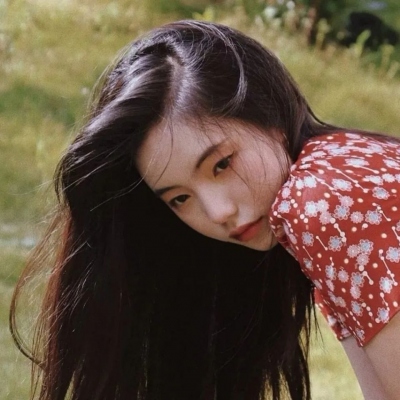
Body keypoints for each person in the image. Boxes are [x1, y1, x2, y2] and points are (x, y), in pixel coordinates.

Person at [10, 20, 400, 400]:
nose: (218, 212)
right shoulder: (347, 169)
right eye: (179, 199)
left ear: (270, 115)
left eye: (222, 164)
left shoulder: (324, 202)